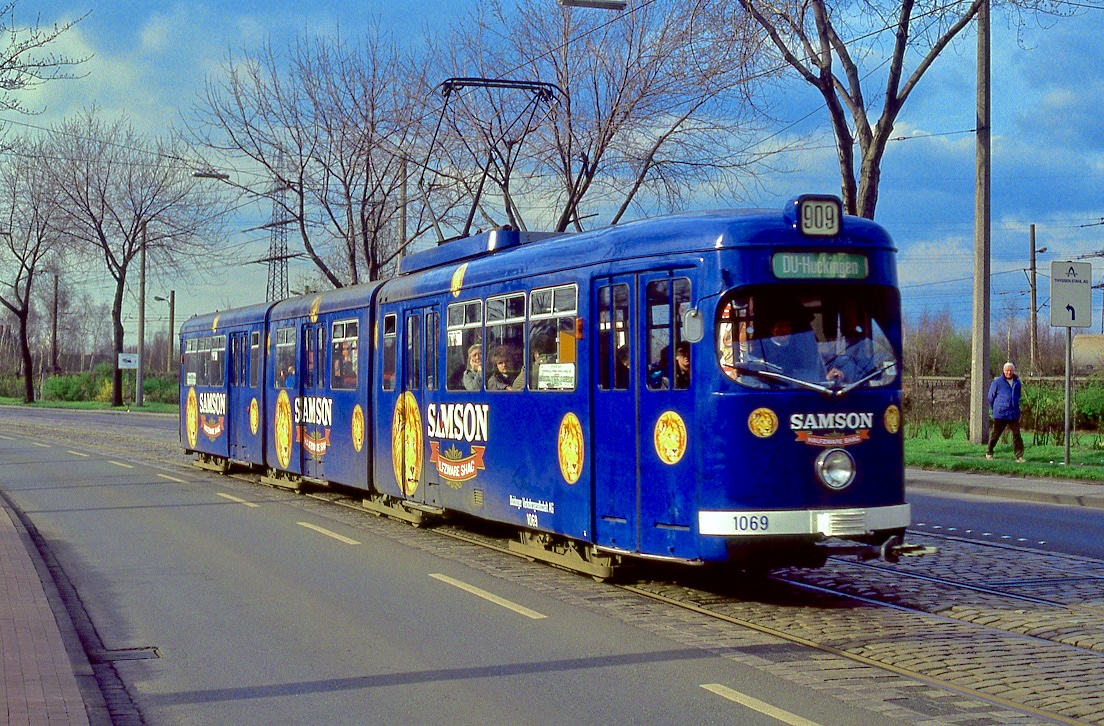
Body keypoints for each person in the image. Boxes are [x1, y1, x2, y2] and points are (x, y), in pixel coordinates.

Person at [987, 361, 1025, 462]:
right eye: (1007, 370)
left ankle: (1019, 456)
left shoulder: (1017, 382)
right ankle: (989, 451)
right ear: (1003, 371)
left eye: (1010, 370)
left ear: (1013, 371)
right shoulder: (997, 382)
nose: (1009, 372)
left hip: (1013, 413)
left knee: (1017, 435)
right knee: (996, 434)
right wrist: (995, 408)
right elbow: (990, 397)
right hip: (1001, 413)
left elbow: (1018, 395)